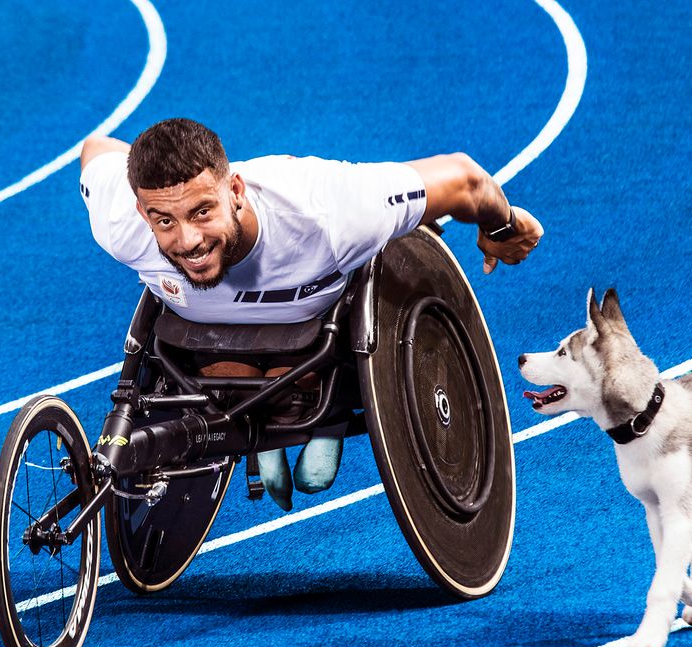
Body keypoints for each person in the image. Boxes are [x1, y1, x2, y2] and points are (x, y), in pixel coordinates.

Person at [78, 117, 542, 509]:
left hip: (316, 340)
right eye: (164, 220)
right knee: (226, 374)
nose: (189, 241)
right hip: (206, 352)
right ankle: (261, 396)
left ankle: (319, 400)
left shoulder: (331, 211)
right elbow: (97, 147)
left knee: (296, 386)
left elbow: (463, 178)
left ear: (235, 189)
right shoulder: (121, 222)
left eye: (202, 212)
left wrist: (502, 225)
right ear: (141, 211)